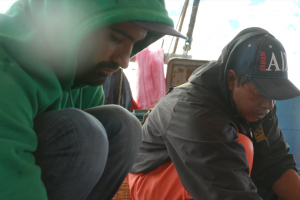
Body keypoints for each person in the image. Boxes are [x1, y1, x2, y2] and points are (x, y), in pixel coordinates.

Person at [0, 0, 186, 199]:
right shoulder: (7, 69)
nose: (124, 60)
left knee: (124, 126)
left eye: (134, 43)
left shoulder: (83, 75)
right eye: (115, 38)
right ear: (70, 24)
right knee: (83, 133)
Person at [127, 27, 300, 200]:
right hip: (150, 179)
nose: (269, 105)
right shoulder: (195, 111)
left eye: (274, 95)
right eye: (259, 93)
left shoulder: (261, 107)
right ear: (231, 79)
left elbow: (276, 162)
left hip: (211, 172)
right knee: (243, 145)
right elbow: (228, 192)